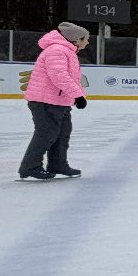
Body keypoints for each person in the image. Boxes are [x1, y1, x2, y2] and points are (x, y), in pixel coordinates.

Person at [18, 22, 90, 181]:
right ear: (77, 40)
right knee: (46, 133)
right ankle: (30, 167)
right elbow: (59, 76)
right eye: (86, 39)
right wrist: (78, 95)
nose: (88, 42)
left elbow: (70, 78)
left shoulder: (68, 52)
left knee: (62, 133)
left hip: (60, 101)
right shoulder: (57, 51)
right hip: (45, 101)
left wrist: (76, 96)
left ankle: (58, 164)